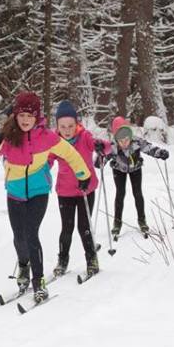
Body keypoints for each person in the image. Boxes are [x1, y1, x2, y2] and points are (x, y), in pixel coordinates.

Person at [0, 91, 91, 303]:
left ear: (37, 117)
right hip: (14, 193)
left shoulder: (47, 137)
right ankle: (23, 267)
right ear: (16, 115)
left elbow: (69, 153)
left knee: (31, 233)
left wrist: (83, 174)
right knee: (19, 236)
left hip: (39, 192)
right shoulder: (10, 135)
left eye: (30, 116)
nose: (25, 120)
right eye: (22, 115)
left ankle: (39, 283)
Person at [48, 100, 109, 278]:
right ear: (57, 126)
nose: (67, 130)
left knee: (84, 227)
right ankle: (62, 261)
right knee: (66, 228)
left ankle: (92, 259)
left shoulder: (85, 137)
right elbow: (47, 160)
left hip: (86, 190)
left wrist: (101, 147)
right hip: (65, 192)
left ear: (77, 124)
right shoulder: (55, 141)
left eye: (70, 125)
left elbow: (105, 146)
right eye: (63, 126)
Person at [99, 116, 169, 239]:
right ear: (116, 138)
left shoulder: (136, 141)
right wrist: (100, 156)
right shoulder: (113, 146)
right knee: (120, 194)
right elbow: (99, 162)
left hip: (135, 169)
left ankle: (142, 221)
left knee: (138, 193)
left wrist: (160, 153)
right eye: (121, 140)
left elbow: (149, 148)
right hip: (119, 170)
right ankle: (117, 223)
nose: (125, 142)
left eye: (127, 139)